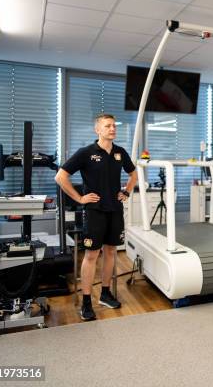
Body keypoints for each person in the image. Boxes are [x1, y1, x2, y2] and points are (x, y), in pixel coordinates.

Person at [55, 113, 137, 321]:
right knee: (92, 255)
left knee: (111, 252)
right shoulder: (86, 153)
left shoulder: (120, 152)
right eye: (107, 126)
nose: (112, 129)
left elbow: (133, 174)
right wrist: (79, 198)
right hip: (94, 211)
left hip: (115, 210)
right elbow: (61, 177)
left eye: (114, 126)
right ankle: (86, 302)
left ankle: (106, 294)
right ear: (97, 130)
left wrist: (126, 191)